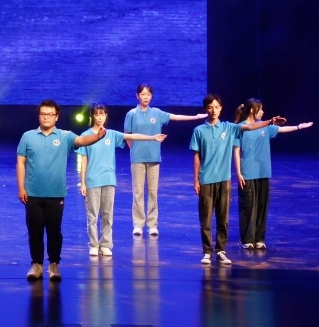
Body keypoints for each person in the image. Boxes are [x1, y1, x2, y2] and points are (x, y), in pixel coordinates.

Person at [16, 99, 107, 281]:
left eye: (50, 114)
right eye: (43, 114)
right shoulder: (28, 136)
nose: (46, 117)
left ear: (56, 117)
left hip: (56, 193)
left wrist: (97, 137)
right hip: (33, 193)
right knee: (34, 231)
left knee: (54, 231)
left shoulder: (65, 136)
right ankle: (36, 264)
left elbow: (81, 140)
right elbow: (20, 162)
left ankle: (54, 264)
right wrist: (21, 188)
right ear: (39, 116)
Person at [190, 93, 286, 264]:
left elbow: (250, 127)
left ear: (221, 108)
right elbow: (196, 156)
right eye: (210, 107)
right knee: (206, 219)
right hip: (206, 179)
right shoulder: (199, 131)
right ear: (206, 109)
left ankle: (221, 250)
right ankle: (207, 251)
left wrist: (270, 121)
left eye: (217, 107)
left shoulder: (228, 127)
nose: (214, 110)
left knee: (223, 218)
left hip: (224, 180)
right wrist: (196, 180)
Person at [76, 103, 165, 256]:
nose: (100, 117)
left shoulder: (111, 134)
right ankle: (94, 244)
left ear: (106, 116)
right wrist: (83, 182)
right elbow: (84, 160)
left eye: (102, 114)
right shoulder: (86, 135)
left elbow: (132, 136)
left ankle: (106, 244)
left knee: (107, 214)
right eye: (97, 114)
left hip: (109, 180)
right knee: (92, 215)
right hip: (92, 180)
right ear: (92, 116)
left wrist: (152, 137)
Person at [122, 84, 204, 237]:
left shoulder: (157, 113)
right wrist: (134, 149)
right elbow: (127, 134)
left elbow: (176, 117)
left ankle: (152, 224)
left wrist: (196, 117)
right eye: (143, 94)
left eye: (148, 94)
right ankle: (138, 225)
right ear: (137, 96)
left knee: (153, 192)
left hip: (154, 158)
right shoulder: (131, 114)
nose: (145, 97)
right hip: (137, 158)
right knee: (138, 192)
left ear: (151, 96)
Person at [232, 98, 312, 249]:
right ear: (252, 110)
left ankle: (259, 238)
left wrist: (299, 127)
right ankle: (247, 239)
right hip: (248, 172)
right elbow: (236, 151)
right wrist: (238, 173)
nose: (262, 111)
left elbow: (281, 129)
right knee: (248, 206)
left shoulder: (265, 126)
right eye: (260, 108)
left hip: (263, 171)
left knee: (262, 206)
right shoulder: (240, 127)